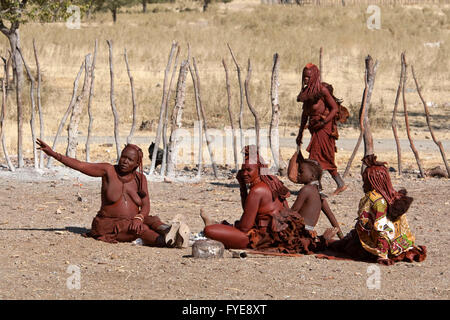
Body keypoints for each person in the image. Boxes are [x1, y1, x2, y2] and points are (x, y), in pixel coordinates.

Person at [36, 139, 189, 248]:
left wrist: (139, 217)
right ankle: (169, 242)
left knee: (151, 220)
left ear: (137, 164)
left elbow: (146, 205)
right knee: (141, 229)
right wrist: (54, 154)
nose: (124, 161)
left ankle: (169, 230)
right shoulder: (108, 170)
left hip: (133, 220)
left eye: (130, 159)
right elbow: (81, 165)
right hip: (108, 225)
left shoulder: (140, 179)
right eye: (123, 157)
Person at [200, 145, 337, 254]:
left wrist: (234, 227)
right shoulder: (272, 181)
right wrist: (242, 186)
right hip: (277, 232)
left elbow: (245, 227)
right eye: (243, 170)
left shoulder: (257, 190)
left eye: (249, 170)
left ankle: (215, 225)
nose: (244, 173)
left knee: (210, 231)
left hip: (267, 238)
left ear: (259, 169)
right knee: (225, 228)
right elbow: (252, 213)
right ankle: (218, 224)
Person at [323, 154, 427, 265]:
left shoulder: (371, 198)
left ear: (372, 182)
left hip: (377, 247)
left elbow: (365, 224)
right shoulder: (394, 196)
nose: (363, 185)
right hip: (399, 246)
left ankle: (326, 240)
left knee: (339, 245)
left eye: (365, 182)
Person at [296, 63, 347, 196]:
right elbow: (305, 114)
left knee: (315, 158)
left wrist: (323, 122)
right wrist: (300, 133)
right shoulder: (306, 93)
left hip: (324, 128)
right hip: (314, 128)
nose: (306, 79)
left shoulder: (322, 91)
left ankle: (316, 188)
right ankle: (339, 184)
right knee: (323, 157)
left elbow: (335, 108)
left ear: (314, 77)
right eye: (304, 77)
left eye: (308, 77)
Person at [287, 150, 344, 239]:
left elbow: (293, 211)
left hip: (299, 233)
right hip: (310, 234)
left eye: (301, 172)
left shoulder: (306, 190)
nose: (298, 174)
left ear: (312, 176)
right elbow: (331, 216)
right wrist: (342, 237)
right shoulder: (319, 193)